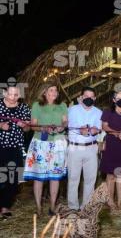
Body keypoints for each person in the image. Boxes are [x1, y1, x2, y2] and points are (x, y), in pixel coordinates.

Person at [23, 83, 68, 216]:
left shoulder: (62, 105)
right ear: (44, 92)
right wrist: (42, 128)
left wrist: (62, 127)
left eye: (56, 90)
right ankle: (38, 207)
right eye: (51, 90)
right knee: (39, 177)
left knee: (55, 177)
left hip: (58, 143)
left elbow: (65, 122)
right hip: (40, 144)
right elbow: (33, 125)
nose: (54, 93)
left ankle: (52, 206)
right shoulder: (37, 105)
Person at [67, 87, 102, 210]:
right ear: (81, 97)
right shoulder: (72, 110)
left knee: (90, 179)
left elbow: (99, 128)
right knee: (73, 178)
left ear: (94, 98)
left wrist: (95, 130)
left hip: (91, 148)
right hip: (75, 148)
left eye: (91, 97)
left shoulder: (98, 112)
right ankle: (72, 207)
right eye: (86, 96)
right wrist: (80, 129)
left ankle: (86, 207)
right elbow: (71, 125)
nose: (88, 98)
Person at [100, 90, 121, 211]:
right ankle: (110, 202)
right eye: (119, 98)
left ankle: (119, 202)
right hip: (111, 144)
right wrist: (116, 134)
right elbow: (104, 126)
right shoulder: (108, 112)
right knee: (110, 175)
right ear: (114, 100)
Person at [0, 86, 30, 219]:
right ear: (5, 93)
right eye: (10, 94)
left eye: (16, 95)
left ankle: (5, 207)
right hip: (1, 146)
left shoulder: (23, 108)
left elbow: (28, 128)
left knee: (13, 178)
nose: (13, 97)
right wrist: (0, 126)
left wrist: (24, 126)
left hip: (16, 147)